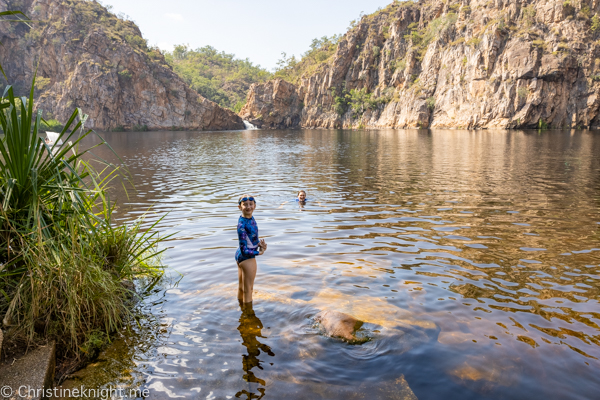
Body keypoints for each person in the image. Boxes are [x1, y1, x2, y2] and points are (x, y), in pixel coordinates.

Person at [236, 194, 266, 304]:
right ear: (239, 207)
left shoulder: (250, 218)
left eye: (251, 204)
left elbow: (251, 239)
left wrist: (260, 244)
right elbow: (245, 250)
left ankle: (240, 308)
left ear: (255, 206)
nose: (248, 207)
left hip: (241, 255)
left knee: (242, 288)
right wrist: (259, 252)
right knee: (249, 290)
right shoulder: (241, 225)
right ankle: (248, 316)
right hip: (246, 257)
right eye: (245, 205)